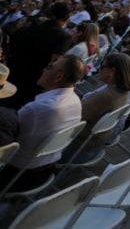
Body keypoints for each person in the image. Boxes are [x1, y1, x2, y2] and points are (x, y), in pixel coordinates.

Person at [0, 55, 83, 192]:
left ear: (58, 77)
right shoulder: (76, 101)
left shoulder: (39, 108)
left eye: (50, 67)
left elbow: (7, 133)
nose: (44, 69)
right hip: (46, 167)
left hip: (17, 174)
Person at [62, 52, 130, 164]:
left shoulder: (106, 97)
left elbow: (71, 119)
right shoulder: (125, 92)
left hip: (75, 150)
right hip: (93, 147)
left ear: (112, 71)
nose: (99, 69)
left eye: (102, 66)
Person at [3, 2, 71, 108]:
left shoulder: (33, 26)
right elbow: (55, 61)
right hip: (33, 79)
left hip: (14, 70)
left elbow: (13, 40)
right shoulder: (64, 37)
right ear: (66, 18)